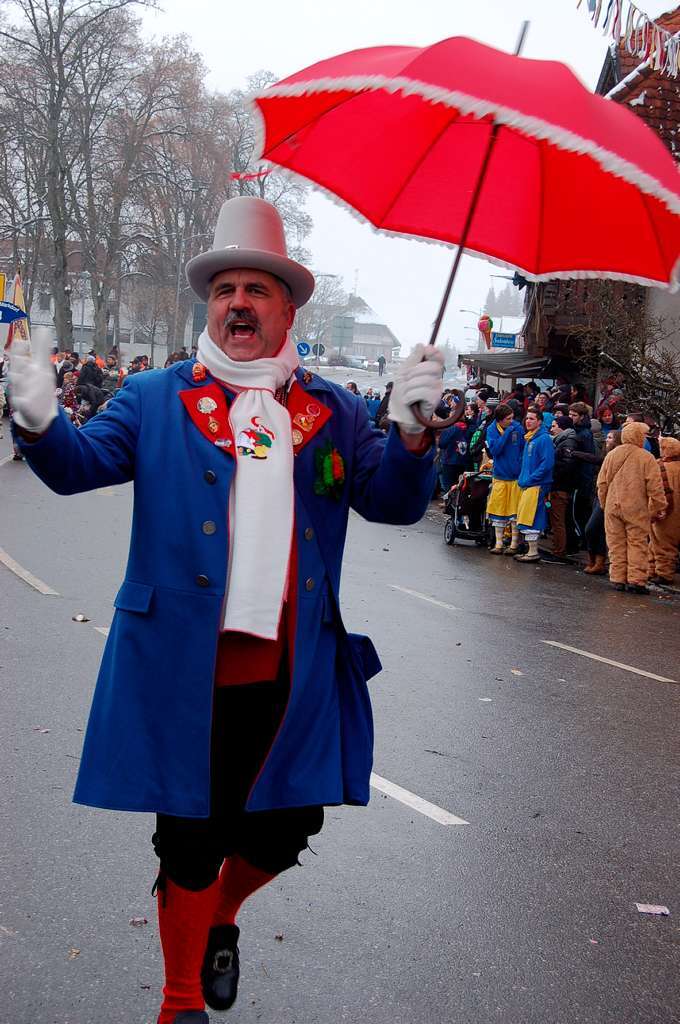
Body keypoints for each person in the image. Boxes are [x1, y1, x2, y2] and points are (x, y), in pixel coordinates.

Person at [9, 195, 443, 1024]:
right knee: (190, 838)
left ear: (288, 307)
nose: (238, 302)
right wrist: (37, 419)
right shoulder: (154, 396)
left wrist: (415, 435)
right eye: (225, 288)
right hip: (181, 665)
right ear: (210, 304)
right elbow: (75, 467)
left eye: (258, 288)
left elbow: (389, 504)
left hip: (294, 669)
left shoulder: (335, 410)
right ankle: (180, 1002)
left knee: (285, 832)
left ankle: (224, 917)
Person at [597, 422, 666, 594]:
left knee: (615, 543)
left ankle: (617, 577)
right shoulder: (646, 457)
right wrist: (658, 507)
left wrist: (604, 503)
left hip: (613, 504)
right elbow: (655, 487)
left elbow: (602, 482)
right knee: (637, 543)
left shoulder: (612, 454)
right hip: (636, 507)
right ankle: (636, 580)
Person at [515, 406, 555, 563]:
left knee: (532, 517)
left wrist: (531, 479)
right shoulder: (530, 438)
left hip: (536, 485)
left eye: (532, 418)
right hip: (528, 484)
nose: (528, 421)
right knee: (526, 516)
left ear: (539, 422)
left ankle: (533, 552)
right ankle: (530, 550)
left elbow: (547, 464)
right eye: (527, 418)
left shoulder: (543, 439)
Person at [485, 403, 524, 555]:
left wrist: (520, 466)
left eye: (512, 418)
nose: (511, 421)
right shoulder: (491, 430)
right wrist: (507, 434)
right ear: (500, 420)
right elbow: (494, 450)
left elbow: (522, 448)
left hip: (515, 477)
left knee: (514, 513)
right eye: (508, 419)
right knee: (498, 510)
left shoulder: (518, 428)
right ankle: (499, 544)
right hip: (500, 477)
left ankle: (514, 545)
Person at [582, 429, 622, 575]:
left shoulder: (616, 456)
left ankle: (598, 560)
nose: (607, 440)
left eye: (610, 438)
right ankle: (595, 561)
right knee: (597, 530)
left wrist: (576, 454)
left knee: (591, 528)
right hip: (598, 493)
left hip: (609, 496)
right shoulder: (605, 453)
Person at [541, 415, 578, 563]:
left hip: (560, 487)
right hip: (556, 486)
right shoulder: (561, 441)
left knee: (558, 520)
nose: (552, 428)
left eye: (554, 425)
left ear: (562, 427)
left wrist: (552, 473)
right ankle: (557, 548)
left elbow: (567, 466)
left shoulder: (568, 442)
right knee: (556, 518)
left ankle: (559, 552)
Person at [649, 436, 680, 586]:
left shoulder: (659, 466)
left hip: (665, 511)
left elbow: (655, 491)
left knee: (661, 543)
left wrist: (653, 511)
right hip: (677, 512)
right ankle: (654, 570)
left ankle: (663, 574)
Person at [569, 402, 596, 547]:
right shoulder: (577, 430)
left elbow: (588, 457)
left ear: (582, 416)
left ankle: (585, 541)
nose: (571, 417)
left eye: (574, 415)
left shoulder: (584, 434)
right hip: (578, 477)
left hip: (581, 478)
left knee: (579, 512)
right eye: (570, 414)